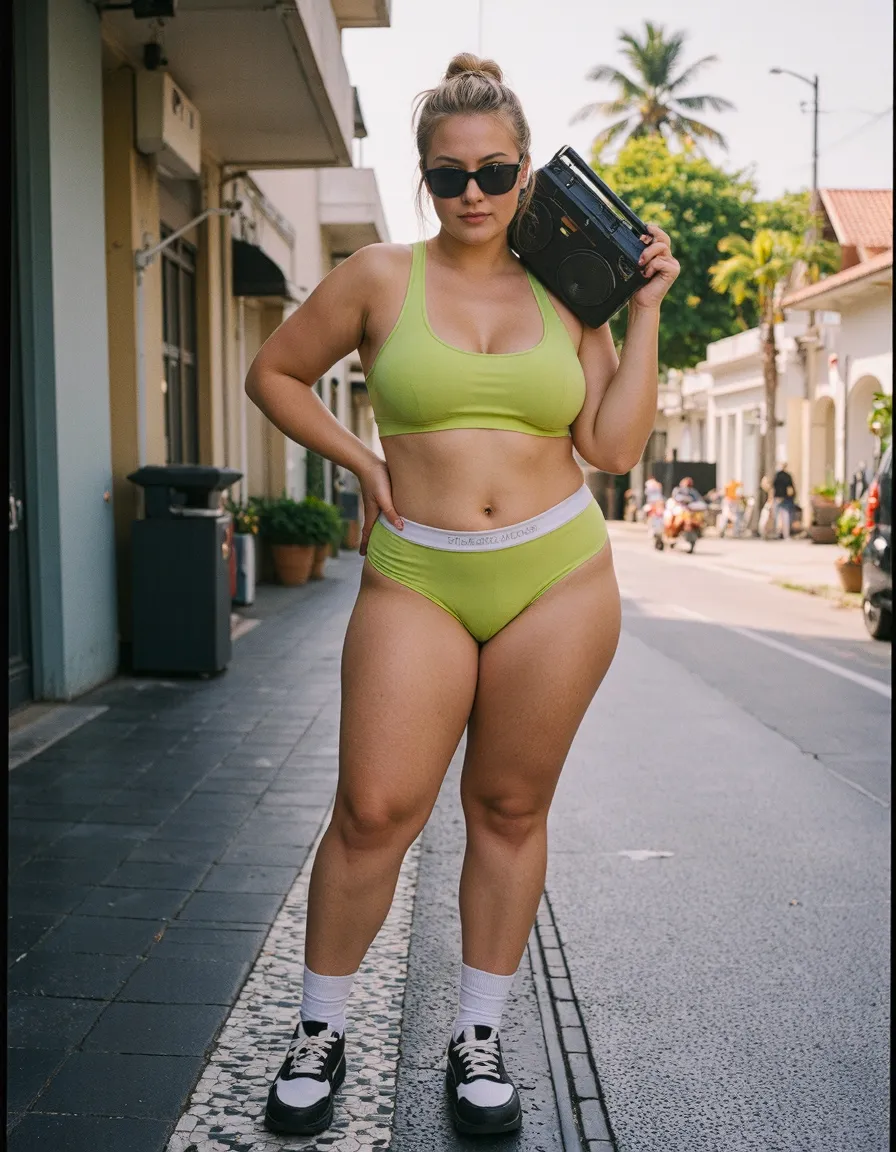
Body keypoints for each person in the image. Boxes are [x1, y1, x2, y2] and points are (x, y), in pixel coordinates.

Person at [245, 52, 678, 1138]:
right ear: (423, 180)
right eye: (449, 177)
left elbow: (611, 442)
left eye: (493, 173)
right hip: (418, 572)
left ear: (527, 174)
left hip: (556, 574)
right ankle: (317, 1030)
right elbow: (273, 373)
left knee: (508, 808)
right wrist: (360, 461)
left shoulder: (568, 289)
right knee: (373, 811)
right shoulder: (379, 278)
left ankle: (478, 1038)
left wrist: (643, 311)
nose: (473, 195)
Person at [772, 463, 796, 540]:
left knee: (776, 516)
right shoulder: (788, 476)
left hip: (777, 497)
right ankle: (786, 534)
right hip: (785, 498)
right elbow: (791, 487)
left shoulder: (777, 475)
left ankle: (777, 532)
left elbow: (773, 486)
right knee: (785, 516)